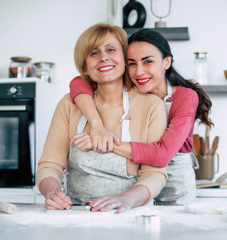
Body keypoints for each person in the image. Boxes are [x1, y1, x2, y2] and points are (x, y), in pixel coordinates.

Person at [69, 28, 212, 205]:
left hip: (175, 184)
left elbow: (162, 154)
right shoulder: (133, 90)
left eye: (148, 62)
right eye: (132, 64)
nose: (139, 72)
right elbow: (77, 83)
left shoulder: (185, 96)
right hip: (139, 182)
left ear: (166, 62)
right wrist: (97, 125)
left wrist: (103, 141)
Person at [36, 23, 168, 213]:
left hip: (131, 212)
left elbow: (154, 174)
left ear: (125, 59)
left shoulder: (151, 106)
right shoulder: (69, 105)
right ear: (86, 67)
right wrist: (52, 191)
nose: (104, 57)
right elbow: (50, 164)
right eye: (94, 53)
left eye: (111, 50)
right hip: (77, 214)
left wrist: (125, 200)